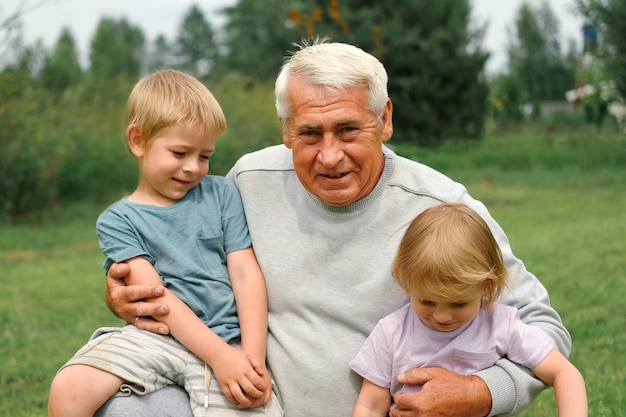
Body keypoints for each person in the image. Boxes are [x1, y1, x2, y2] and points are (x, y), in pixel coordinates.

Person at [99, 39, 572, 417]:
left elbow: (543, 326)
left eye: (348, 130)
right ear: (285, 129)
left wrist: (482, 392)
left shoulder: (442, 208)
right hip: (251, 404)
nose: (329, 155)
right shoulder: (246, 182)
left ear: (384, 120)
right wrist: (127, 291)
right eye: (309, 134)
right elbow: (181, 252)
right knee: (122, 407)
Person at [48, 69, 282, 417]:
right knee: (69, 387)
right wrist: (218, 357)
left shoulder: (221, 194)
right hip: (159, 337)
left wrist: (250, 360)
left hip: (228, 337)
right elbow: (155, 298)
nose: (193, 168)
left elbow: (246, 274)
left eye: (204, 156)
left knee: (252, 404)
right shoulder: (118, 221)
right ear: (138, 141)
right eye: (180, 152)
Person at [350, 203, 587, 417]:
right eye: (427, 302)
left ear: (486, 287)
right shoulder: (391, 333)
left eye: (459, 303)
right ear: (407, 283)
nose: (442, 317)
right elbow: (370, 407)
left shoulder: (501, 326)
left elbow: (564, 373)